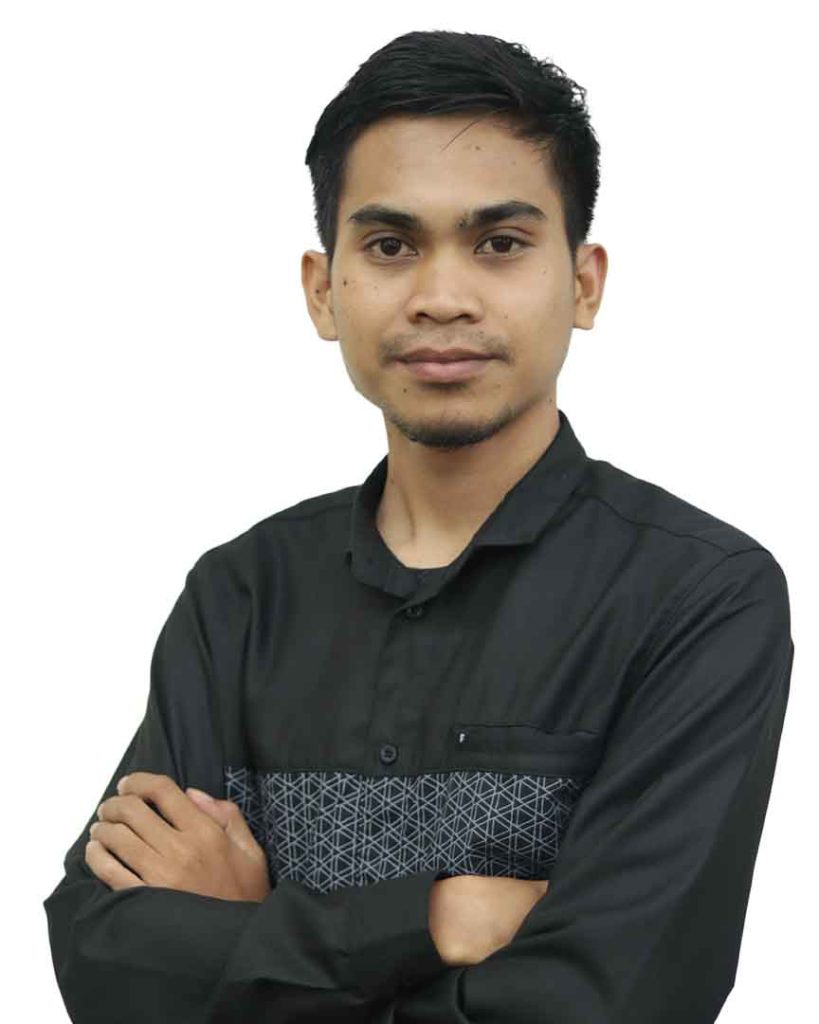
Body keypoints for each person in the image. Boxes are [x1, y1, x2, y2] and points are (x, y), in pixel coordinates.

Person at [43, 29, 794, 1024]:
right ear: (323, 291)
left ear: (584, 283)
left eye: (500, 243)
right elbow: (106, 963)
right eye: (391, 246)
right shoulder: (244, 594)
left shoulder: (697, 596)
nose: (442, 298)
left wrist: (248, 935)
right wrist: (438, 917)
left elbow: (611, 1001)